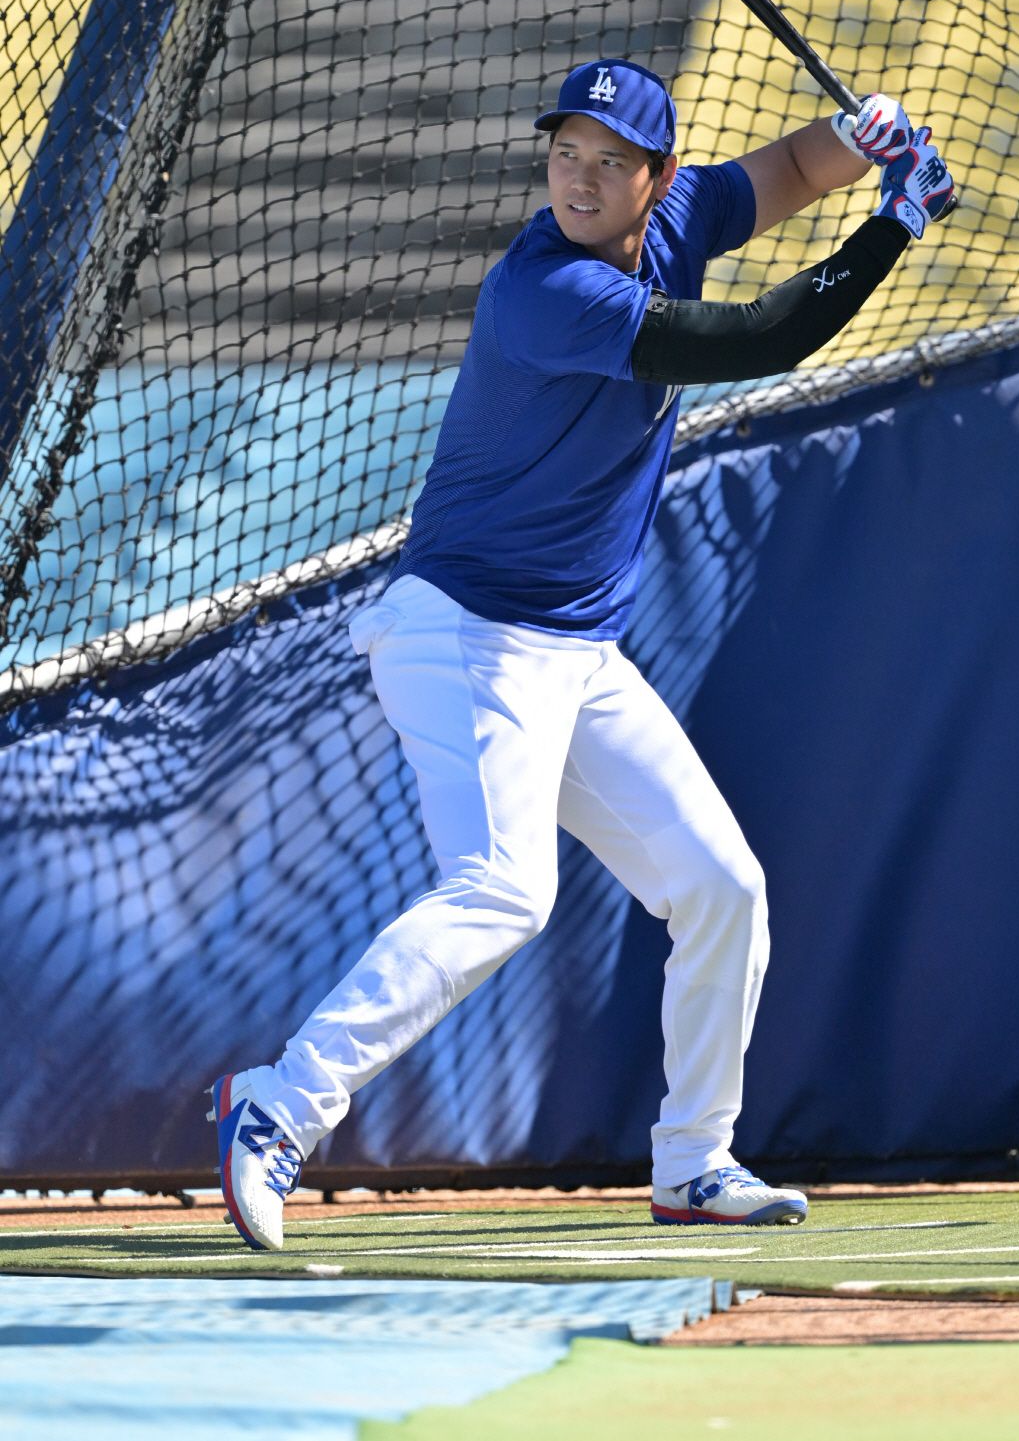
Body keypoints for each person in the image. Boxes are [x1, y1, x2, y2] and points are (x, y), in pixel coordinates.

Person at [208, 60, 955, 1250]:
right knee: (504, 889)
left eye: (612, 159)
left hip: (571, 651)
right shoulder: (547, 289)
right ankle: (279, 1104)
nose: (581, 176)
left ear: (657, 179)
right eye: (567, 150)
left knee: (724, 889)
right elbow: (761, 335)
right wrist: (896, 222)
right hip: (462, 631)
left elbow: (794, 167)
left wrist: (860, 136)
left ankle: (694, 1161)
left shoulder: (685, 213)